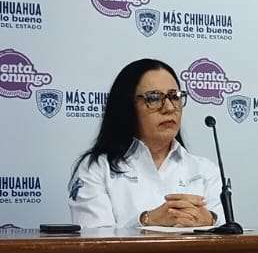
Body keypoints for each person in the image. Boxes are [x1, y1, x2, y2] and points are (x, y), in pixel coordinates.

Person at [69, 58, 224, 229]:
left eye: (175, 97)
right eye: (154, 98)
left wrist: (211, 221)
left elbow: (228, 236)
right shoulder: (96, 168)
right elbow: (93, 239)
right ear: (127, 107)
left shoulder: (205, 170)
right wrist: (146, 221)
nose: (169, 108)